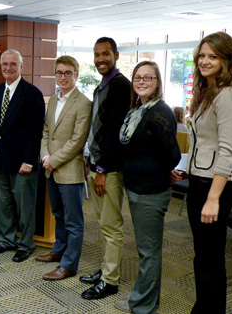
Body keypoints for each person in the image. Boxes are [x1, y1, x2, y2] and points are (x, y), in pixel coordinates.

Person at [170, 32, 232, 314]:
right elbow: (204, 144)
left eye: (213, 56)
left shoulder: (227, 96)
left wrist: (213, 198)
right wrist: (187, 171)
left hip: (215, 189)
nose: (205, 61)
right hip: (200, 184)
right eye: (202, 55)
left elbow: (227, 151)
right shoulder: (207, 93)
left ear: (226, 60)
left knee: (211, 260)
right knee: (202, 257)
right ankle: (203, 308)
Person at [115, 61, 181, 313]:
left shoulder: (159, 112)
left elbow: (172, 155)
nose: (142, 82)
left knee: (149, 251)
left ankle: (144, 306)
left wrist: (161, 169)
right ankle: (141, 300)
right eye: (138, 78)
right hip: (137, 187)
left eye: (148, 78)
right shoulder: (137, 110)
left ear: (158, 82)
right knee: (145, 248)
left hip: (151, 191)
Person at [81, 37, 131, 300]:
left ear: (116, 55)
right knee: (102, 223)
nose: (101, 59)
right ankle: (105, 270)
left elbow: (115, 134)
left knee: (111, 225)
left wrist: (101, 170)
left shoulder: (121, 86)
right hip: (97, 166)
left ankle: (110, 281)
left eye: (106, 54)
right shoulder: (103, 85)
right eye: (97, 54)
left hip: (107, 170)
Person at [0, 49, 45, 263]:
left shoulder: (32, 93)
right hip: (0, 160)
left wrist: (29, 160)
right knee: (2, 204)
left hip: (23, 162)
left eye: (13, 64)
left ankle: (25, 244)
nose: (8, 68)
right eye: (5, 64)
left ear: (21, 67)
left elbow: (36, 131)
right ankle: (6, 241)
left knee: (25, 206)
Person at [37, 56, 92, 280]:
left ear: (76, 75)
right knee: (58, 214)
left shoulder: (84, 103)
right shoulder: (52, 100)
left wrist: (54, 159)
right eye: (59, 73)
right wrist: (45, 156)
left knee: (73, 221)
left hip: (69, 170)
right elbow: (45, 132)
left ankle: (69, 265)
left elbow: (78, 141)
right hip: (51, 167)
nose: (63, 77)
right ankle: (59, 251)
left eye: (68, 73)